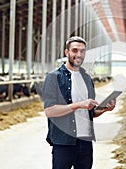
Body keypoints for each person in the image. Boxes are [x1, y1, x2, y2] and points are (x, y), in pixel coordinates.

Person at [42, 36, 116, 169]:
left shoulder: (87, 79)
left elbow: (90, 113)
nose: (79, 54)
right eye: (75, 50)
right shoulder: (54, 77)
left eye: (82, 51)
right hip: (63, 143)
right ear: (67, 52)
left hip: (85, 142)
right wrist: (78, 104)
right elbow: (49, 111)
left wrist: (105, 109)